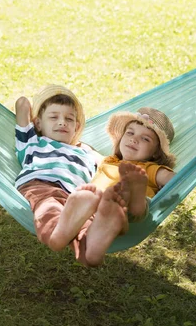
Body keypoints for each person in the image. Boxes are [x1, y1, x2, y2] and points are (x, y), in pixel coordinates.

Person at [15, 85, 128, 267]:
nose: (62, 122)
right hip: (41, 185)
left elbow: (111, 166)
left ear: (76, 127)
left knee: (85, 221)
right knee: (49, 209)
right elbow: (22, 104)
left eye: (69, 119)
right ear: (38, 124)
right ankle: (55, 237)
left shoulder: (85, 152)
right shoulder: (32, 142)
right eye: (53, 117)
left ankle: (90, 251)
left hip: (76, 197)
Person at [92, 107, 177, 222]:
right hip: (93, 208)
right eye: (130, 133)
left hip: (125, 210)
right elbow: (90, 153)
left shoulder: (147, 169)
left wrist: (170, 184)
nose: (133, 139)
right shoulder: (109, 161)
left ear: (156, 153)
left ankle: (133, 200)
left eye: (145, 139)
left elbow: (171, 178)